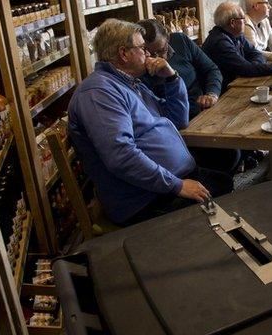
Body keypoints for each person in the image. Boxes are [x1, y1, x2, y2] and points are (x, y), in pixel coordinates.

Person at [67, 19, 233, 226]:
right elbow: (121, 156)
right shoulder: (99, 93)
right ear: (123, 53)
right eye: (142, 48)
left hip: (164, 183)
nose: (149, 55)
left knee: (224, 177)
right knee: (227, 196)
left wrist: (172, 78)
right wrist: (177, 185)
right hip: (143, 199)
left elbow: (178, 119)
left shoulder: (130, 83)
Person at [138, 18, 241, 174]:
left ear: (167, 35)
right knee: (229, 154)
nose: (159, 58)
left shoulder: (181, 41)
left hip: (205, 112)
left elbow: (211, 70)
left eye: (162, 49)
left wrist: (211, 93)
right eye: (151, 53)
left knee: (241, 138)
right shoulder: (140, 69)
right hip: (179, 126)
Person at [202, 1, 272, 89]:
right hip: (221, 92)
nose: (245, 21)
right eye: (243, 18)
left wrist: (254, 66)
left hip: (236, 83)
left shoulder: (236, 35)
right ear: (233, 23)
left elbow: (256, 54)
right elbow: (246, 69)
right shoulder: (220, 42)